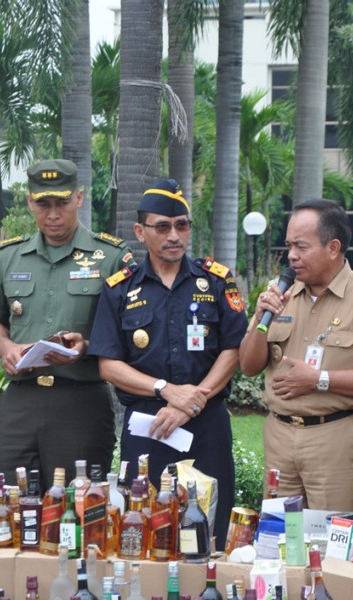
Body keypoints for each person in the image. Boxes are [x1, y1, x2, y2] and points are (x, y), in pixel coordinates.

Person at [88, 178, 248, 547]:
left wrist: (192, 400)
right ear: (140, 232)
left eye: (181, 225)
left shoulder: (216, 281)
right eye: (162, 227)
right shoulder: (120, 288)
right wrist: (166, 390)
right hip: (148, 426)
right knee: (144, 525)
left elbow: (234, 349)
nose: (174, 235)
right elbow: (108, 365)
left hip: (206, 422)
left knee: (211, 529)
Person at [238, 199, 353, 511]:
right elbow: (248, 366)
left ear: (333, 247)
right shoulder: (280, 292)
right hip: (279, 434)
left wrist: (319, 380)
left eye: (301, 246)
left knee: (329, 532)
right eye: (289, 246)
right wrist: (260, 318)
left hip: (334, 436)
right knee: (280, 531)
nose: (291, 255)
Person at [0, 159, 134, 488]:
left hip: (80, 401)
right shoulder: (9, 257)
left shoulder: (111, 257)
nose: (53, 214)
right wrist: (6, 348)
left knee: (78, 502)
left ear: (79, 198)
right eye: (43, 204)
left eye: (62, 203)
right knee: (4, 498)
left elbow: (131, 332)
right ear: (30, 202)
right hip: (20, 399)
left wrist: (87, 348)